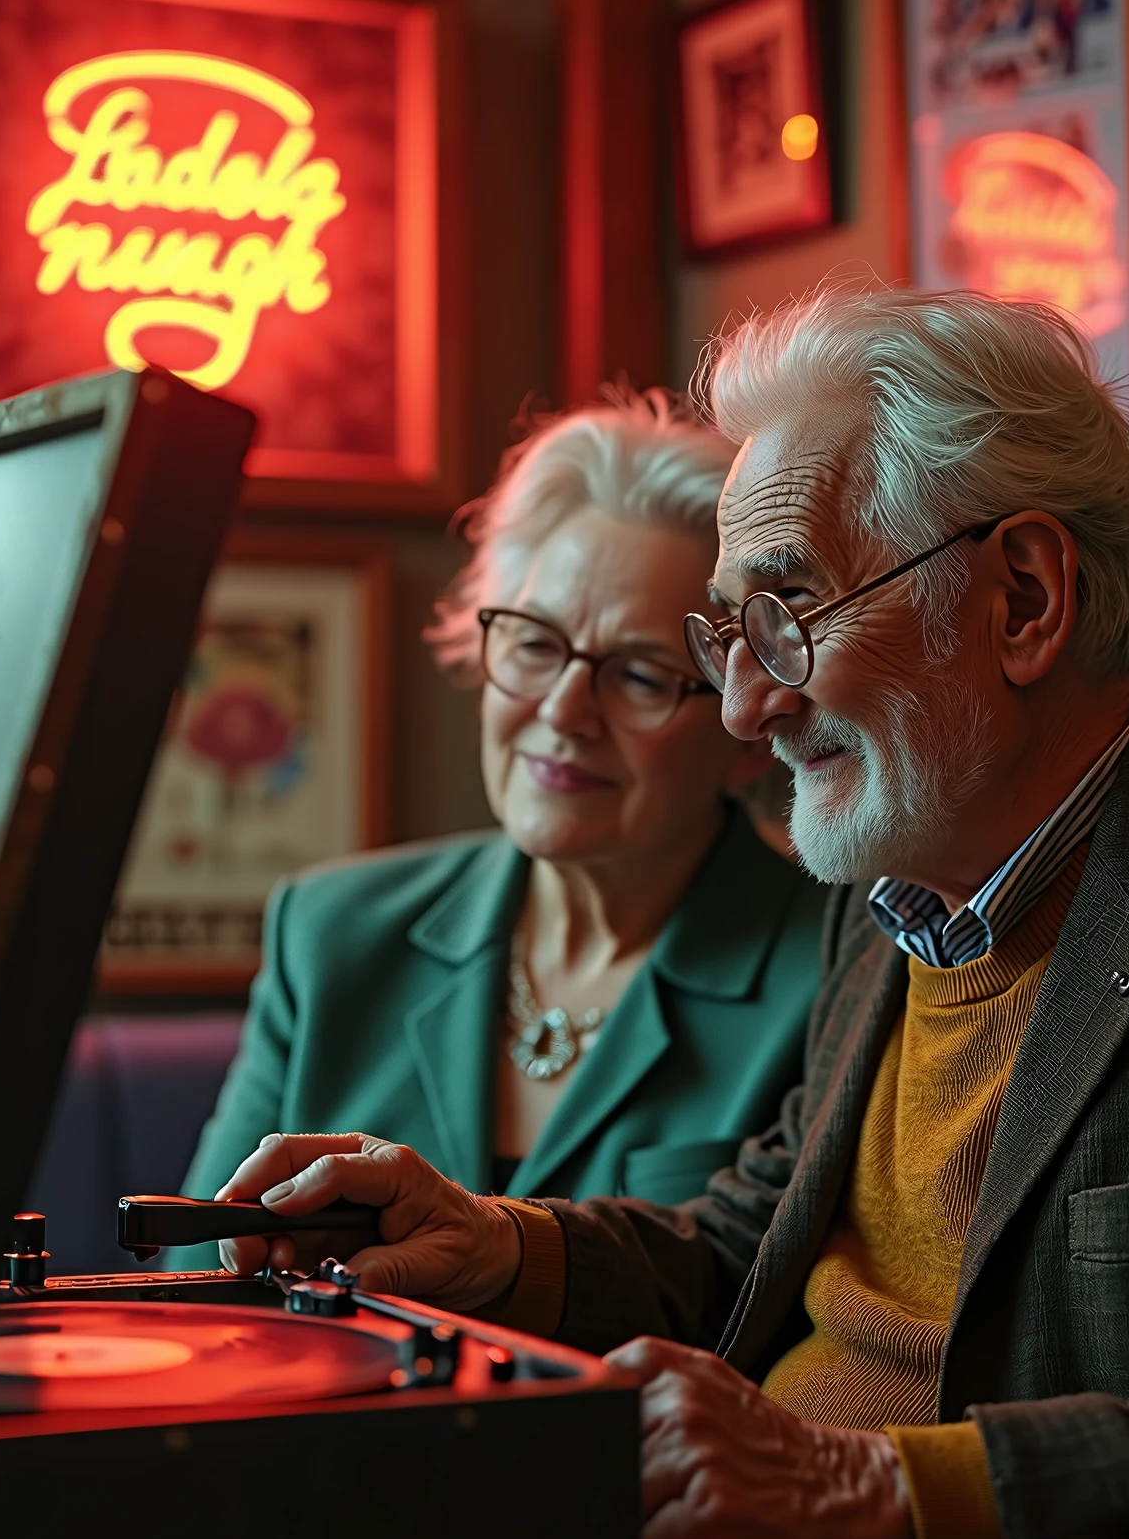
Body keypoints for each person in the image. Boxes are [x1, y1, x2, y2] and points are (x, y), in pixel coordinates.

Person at [213, 289, 1129, 1539]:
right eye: (726, 633)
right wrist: (497, 1246)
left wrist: (862, 1490)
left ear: (1023, 601)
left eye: (786, 614)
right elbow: (753, 1245)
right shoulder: (901, 887)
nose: (742, 706)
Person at [179, 391, 825, 1279]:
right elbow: (196, 1279)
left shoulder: (833, 969)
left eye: (639, 675)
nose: (563, 711)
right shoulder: (333, 933)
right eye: (533, 644)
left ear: (744, 729)